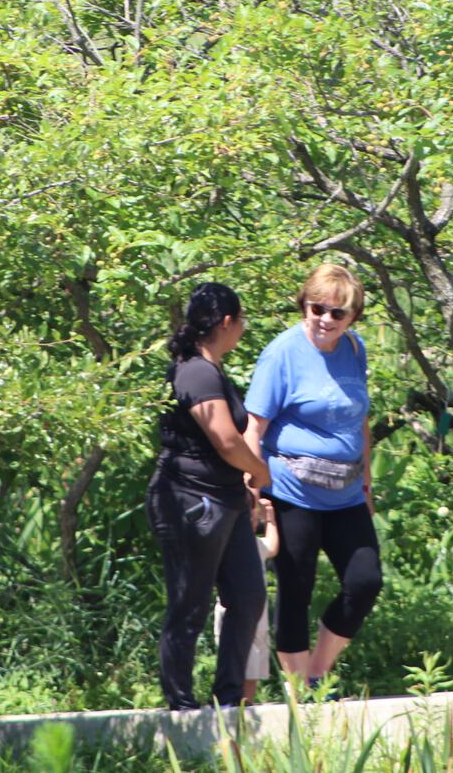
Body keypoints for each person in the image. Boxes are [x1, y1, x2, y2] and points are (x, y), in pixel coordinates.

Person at [243, 263, 383, 691]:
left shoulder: (354, 349)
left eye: (337, 313)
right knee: (296, 586)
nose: (325, 319)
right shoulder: (283, 352)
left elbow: (360, 421)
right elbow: (254, 428)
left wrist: (367, 482)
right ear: (304, 305)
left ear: (352, 317)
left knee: (365, 581)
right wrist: (253, 492)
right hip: (291, 487)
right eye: (316, 308)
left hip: (346, 491)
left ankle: (318, 674)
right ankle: (298, 688)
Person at [146, 281, 273, 710]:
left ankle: (230, 696)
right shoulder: (196, 371)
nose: (242, 330)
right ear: (226, 322)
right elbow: (225, 440)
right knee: (190, 603)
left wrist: (243, 485)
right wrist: (260, 471)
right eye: (241, 322)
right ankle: (180, 706)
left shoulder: (210, 367)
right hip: (190, 501)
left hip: (226, 499)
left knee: (249, 596)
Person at [212, 498, 281, 702]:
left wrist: (271, 517)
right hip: (234, 615)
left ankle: (246, 704)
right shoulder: (224, 545)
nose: (250, 518)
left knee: (255, 669)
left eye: (252, 515)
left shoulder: (256, 545)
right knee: (239, 662)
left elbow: (273, 546)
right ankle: (230, 702)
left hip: (259, 619)